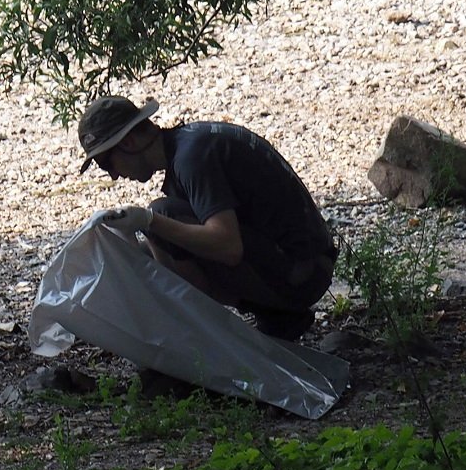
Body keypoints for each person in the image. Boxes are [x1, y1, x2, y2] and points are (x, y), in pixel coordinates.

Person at [76, 95, 337, 341]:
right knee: (139, 257)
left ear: (129, 143)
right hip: (295, 266)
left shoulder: (192, 158)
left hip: (303, 277)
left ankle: (206, 337)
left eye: (105, 164)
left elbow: (228, 247)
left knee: (163, 215)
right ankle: (273, 317)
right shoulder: (187, 146)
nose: (112, 176)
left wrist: (149, 221)